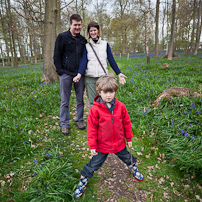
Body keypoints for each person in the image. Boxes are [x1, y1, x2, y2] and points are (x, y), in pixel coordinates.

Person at [73, 75, 144, 199]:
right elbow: (91, 129)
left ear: (115, 91)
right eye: (105, 92)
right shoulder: (95, 110)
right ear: (99, 92)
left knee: (127, 157)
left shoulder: (121, 106)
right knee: (94, 164)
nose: (108, 95)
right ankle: (83, 179)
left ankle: (133, 167)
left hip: (119, 143)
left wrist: (129, 138)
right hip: (102, 145)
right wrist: (93, 145)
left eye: (111, 92)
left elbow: (126, 123)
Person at [73, 21, 127, 107]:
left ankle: (104, 119)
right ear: (88, 32)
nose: (93, 32)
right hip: (90, 78)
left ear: (98, 31)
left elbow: (111, 60)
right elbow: (83, 61)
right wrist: (79, 74)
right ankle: (94, 120)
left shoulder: (105, 45)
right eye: (91, 31)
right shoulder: (86, 46)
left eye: (95, 30)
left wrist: (119, 73)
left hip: (103, 78)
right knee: (92, 102)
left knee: (104, 101)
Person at [54, 14, 87, 135]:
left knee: (80, 100)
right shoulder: (62, 37)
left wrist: (81, 72)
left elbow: (85, 57)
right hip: (66, 74)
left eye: (79, 25)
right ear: (70, 24)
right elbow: (56, 56)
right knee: (65, 101)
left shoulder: (83, 40)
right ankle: (64, 124)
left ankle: (79, 120)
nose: (77, 27)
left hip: (79, 74)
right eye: (75, 25)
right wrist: (61, 72)